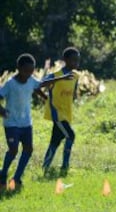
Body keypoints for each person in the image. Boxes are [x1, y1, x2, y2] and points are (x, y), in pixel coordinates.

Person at [0, 53, 72, 191]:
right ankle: (3, 174)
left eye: (31, 71)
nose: (29, 73)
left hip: (26, 123)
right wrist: (2, 110)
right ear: (19, 68)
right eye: (26, 70)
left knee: (28, 149)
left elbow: (40, 85)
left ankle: (17, 178)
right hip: (11, 123)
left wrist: (58, 82)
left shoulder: (31, 80)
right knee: (13, 150)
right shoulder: (10, 84)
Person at [42, 47, 80, 177]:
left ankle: (45, 166)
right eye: (73, 60)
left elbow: (74, 92)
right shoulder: (55, 75)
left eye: (77, 60)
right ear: (65, 60)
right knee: (71, 135)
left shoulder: (75, 76)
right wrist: (60, 79)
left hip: (66, 113)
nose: (76, 63)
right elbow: (41, 83)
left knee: (55, 140)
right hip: (56, 114)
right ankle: (65, 166)